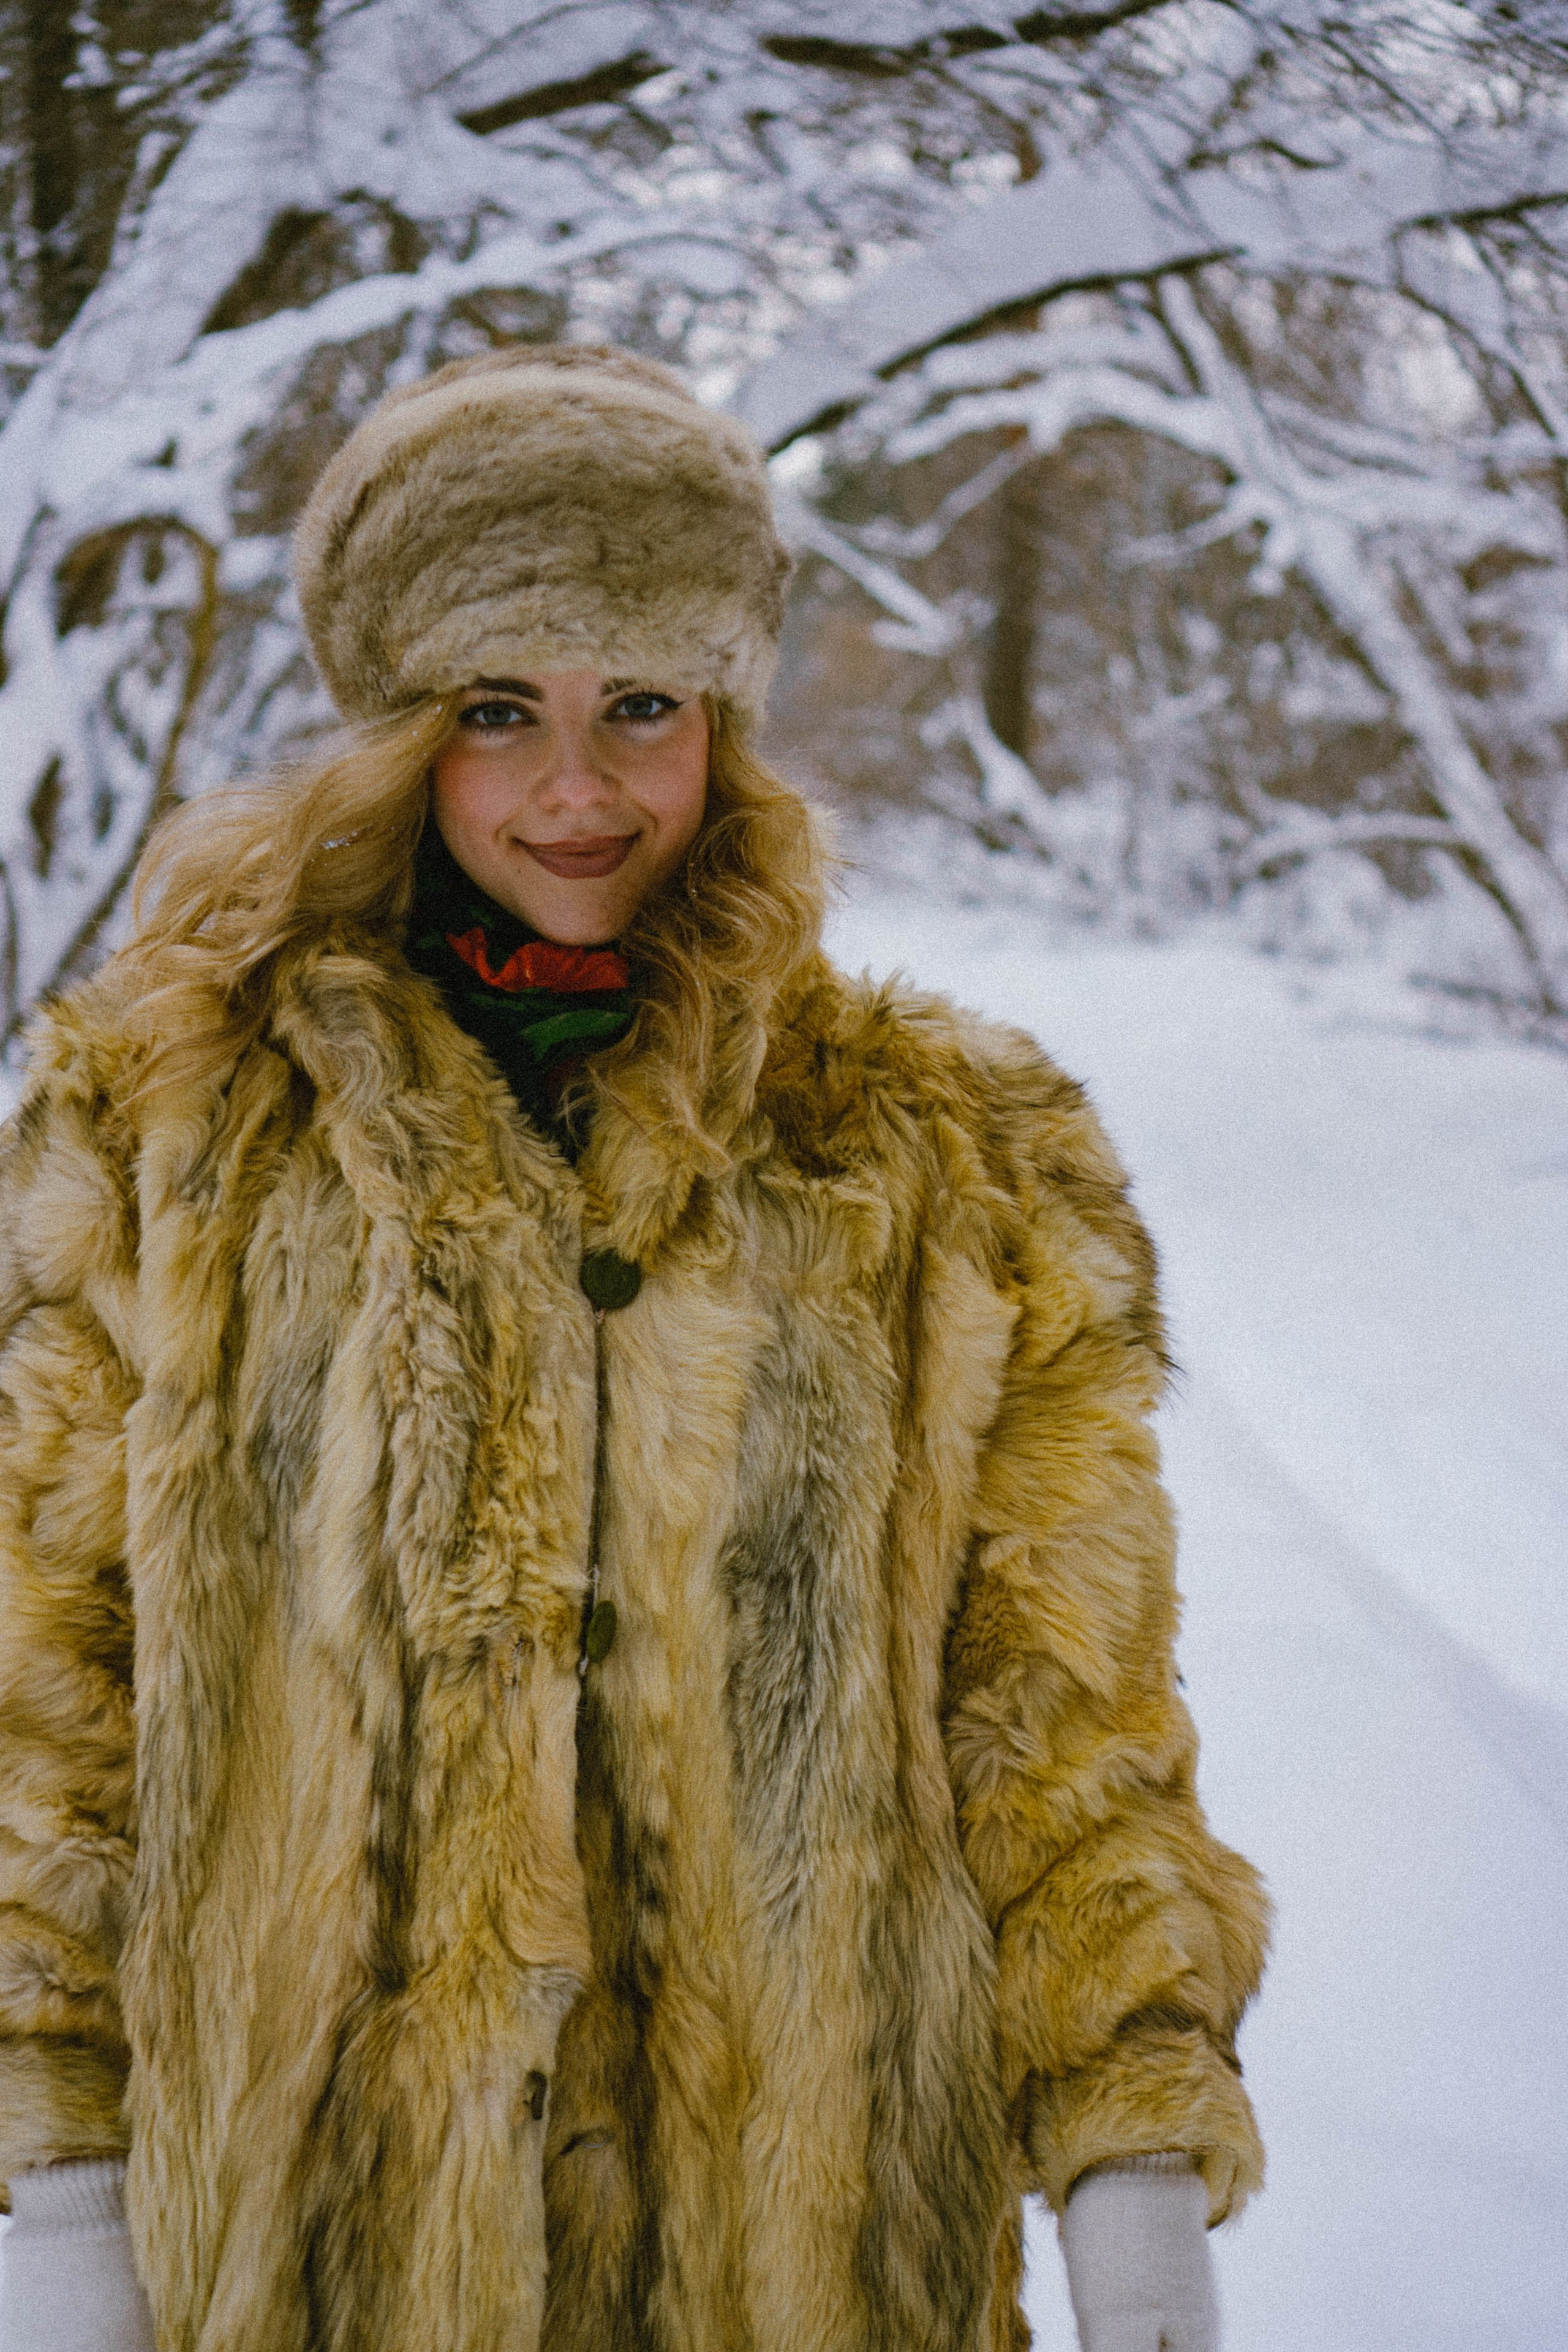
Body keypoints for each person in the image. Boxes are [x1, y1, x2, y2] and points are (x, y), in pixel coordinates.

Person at [0, 345, 1267, 2352]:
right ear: (399, 732)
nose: (577, 791)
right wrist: (61, 2186)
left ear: (726, 722)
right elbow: (46, 1694)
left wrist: (1132, 2168)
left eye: (642, 709)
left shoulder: (955, 1158)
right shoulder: (167, 1132)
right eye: (498, 711)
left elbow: (1063, 1719)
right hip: (313, 2268)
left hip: (810, 2267)